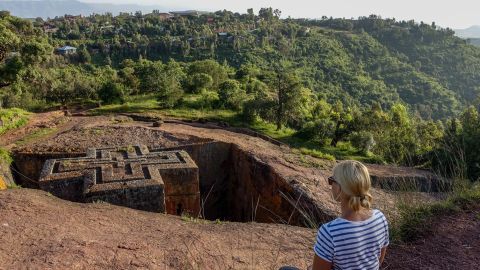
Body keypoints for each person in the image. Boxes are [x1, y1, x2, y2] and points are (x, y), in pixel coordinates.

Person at [312, 160, 389, 270]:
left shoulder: (330, 233)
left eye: (331, 180)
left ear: (340, 188)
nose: (331, 185)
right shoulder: (380, 218)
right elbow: (379, 260)